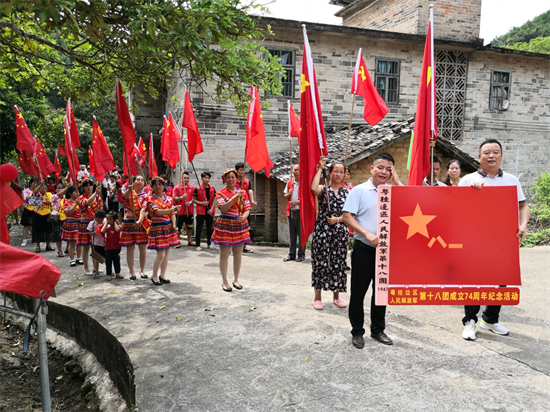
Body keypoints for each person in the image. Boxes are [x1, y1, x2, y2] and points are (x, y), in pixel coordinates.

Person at [459, 139, 530, 341]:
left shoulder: (511, 180)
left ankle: (490, 318)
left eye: (495, 152)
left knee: (501, 280)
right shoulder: (468, 180)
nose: (491, 156)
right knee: (473, 281)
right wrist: (469, 192)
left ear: (501, 155)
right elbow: (454, 208)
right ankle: (470, 321)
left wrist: (523, 225)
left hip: (502, 241)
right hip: (475, 240)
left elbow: (523, 206)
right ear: (479, 156)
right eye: (486, 152)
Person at [342, 153, 403, 348]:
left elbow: (410, 203)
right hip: (363, 249)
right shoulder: (359, 191)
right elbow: (347, 216)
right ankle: (357, 332)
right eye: (381, 167)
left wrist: (397, 181)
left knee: (381, 292)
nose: (384, 172)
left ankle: (378, 330)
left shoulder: (393, 191)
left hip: (385, 252)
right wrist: (367, 234)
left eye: (389, 168)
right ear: (372, 168)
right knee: (358, 293)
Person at [310, 158, 349, 310]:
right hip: (322, 231)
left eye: (341, 171)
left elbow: (351, 214)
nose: (338, 174)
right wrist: (320, 168)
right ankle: (317, 297)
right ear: (331, 173)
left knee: (338, 263)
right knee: (320, 262)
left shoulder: (347, 193)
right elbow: (313, 189)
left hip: (340, 232)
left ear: (345, 174)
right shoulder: (323, 189)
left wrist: (338, 219)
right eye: (336, 171)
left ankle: (336, 296)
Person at [211, 168, 251, 292]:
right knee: (224, 254)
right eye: (228, 177)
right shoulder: (220, 193)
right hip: (225, 225)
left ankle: (236, 279)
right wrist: (235, 197)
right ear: (225, 179)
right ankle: (225, 281)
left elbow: (247, 208)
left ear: (237, 178)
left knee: (238, 254)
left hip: (239, 225)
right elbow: (223, 208)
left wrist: (243, 217)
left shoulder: (243, 193)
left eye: (233, 177)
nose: (231, 179)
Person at [146, 176, 181, 285]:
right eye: (155, 185)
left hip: (167, 227)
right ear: (152, 187)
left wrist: (174, 225)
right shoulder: (150, 200)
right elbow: (157, 212)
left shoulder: (169, 199)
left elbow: (172, 215)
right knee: (160, 254)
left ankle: (163, 275)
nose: (158, 187)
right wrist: (172, 209)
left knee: (166, 253)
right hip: (158, 227)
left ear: (164, 186)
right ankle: (154, 275)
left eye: (160, 184)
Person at [120, 175, 149, 280]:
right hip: (129, 221)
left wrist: (140, 221)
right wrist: (129, 189)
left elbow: (143, 209)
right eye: (138, 180)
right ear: (133, 181)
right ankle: (132, 271)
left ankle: (142, 270)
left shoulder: (146, 196)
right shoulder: (130, 193)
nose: (140, 182)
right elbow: (124, 197)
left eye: (142, 180)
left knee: (143, 247)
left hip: (141, 221)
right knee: (130, 247)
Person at [77, 179, 102, 275]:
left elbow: (100, 209)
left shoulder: (97, 197)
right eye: (86, 186)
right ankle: (86, 267)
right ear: (83, 187)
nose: (89, 187)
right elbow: (86, 203)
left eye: (91, 185)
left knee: (96, 246)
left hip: (95, 223)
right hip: (85, 223)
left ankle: (96, 267)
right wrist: (95, 193)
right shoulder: (81, 197)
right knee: (86, 247)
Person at [283, 164, 305, 262]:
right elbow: (285, 195)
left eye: (298, 170)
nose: (296, 171)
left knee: (301, 234)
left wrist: (297, 202)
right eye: (295, 170)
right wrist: (289, 194)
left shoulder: (304, 183)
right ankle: (291, 254)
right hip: (291, 211)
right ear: (292, 171)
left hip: (301, 212)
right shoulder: (289, 183)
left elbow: (307, 199)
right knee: (292, 235)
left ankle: (301, 254)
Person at [192, 171, 216, 251]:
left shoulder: (212, 188)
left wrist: (212, 209)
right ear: (202, 179)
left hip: (210, 211)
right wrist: (202, 203)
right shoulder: (197, 188)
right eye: (205, 178)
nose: (207, 179)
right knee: (199, 228)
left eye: (208, 178)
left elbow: (214, 199)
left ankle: (209, 243)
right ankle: (197, 245)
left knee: (210, 228)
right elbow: (193, 200)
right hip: (201, 211)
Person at [235, 162, 255, 253]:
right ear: (237, 171)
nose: (242, 171)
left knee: (246, 227)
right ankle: (234, 246)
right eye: (240, 169)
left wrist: (252, 200)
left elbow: (250, 191)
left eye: (243, 169)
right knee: (235, 227)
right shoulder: (233, 181)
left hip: (245, 207)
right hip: (235, 207)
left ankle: (244, 246)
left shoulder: (246, 181)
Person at [173, 172, 195, 246]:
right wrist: (182, 197)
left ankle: (189, 240)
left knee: (189, 227)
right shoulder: (177, 187)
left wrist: (191, 202)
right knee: (178, 227)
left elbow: (194, 198)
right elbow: (174, 198)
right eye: (185, 178)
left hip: (189, 211)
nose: (186, 179)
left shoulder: (192, 188)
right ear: (181, 178)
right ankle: (177, 241)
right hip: (180, 211)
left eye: (187, 178)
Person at [30, 183, 54, 253]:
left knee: (48, 231)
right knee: (37, 231)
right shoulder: (37, 194)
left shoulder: (49, 194)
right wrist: (40, 185)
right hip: (38, 214)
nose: (43, 189)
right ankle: (38, 246)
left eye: (45, 188)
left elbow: (52, 202)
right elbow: (34, 192)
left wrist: (49, 202)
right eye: (42, 188)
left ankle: (48, 245)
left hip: (47, 213)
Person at [62, 186, 82, 266]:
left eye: (78, 192)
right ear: (70, 193)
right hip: (70, 223)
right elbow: (69, 212)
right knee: (71, 243)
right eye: (75, 192)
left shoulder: (81, 201)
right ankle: (72, 259)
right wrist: (75, 204)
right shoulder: (66, 202)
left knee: (79, 242)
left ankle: (79, 258)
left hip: (79, 223)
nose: (77, 193)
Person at [101, 211, 123, 281]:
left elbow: (117, 230)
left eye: (110, 219)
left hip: (116, 247)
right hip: (108, 248)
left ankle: (118, 273)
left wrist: (115, 223)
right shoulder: (107, 229)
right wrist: (106, 224)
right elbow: (102, 231)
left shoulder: (118, 227)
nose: (108, 221)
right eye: (107, 219)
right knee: (108, 262)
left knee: (117, 261)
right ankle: (109, 274)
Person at [50, 183, 69, 257]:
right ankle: (59, 250)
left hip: (66, 217)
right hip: (57, 218)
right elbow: (59, 194)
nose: (60, 189)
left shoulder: (66, 197)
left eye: (62, 188)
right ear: (55, 189)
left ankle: (68, 248)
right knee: (58, 235)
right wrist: (67, 187)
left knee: (68, 234)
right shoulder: (54, 196)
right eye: (58, 188)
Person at [87, 209, 107, 279]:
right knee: (96, 258)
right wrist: (95, 232)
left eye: (101, 219)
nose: (100, 221)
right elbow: (89, 233)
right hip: (96, 243)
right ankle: (96, 271)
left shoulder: (105, 222)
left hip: (105, 242)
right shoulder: (92, 223)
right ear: (95, 217)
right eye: (98, 220)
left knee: (107, 258)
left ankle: (109, 271)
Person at [21, 178, 39, 246]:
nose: (35, 184)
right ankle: (24, 240)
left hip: (36, 209)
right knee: (26, 225)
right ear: (30, 183)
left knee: (35, 225)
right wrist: (33, 193)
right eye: (34, 183)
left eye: (37, 183)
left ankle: (36, 239)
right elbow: (25, 198)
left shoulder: (39, 191)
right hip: (28, 209)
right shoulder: (26, 190)